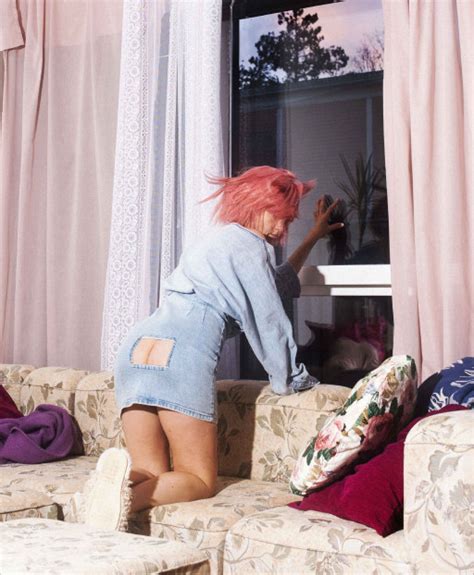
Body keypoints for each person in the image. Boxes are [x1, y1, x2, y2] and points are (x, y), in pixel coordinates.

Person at [82, 166, 343, 531]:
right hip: (181, 355)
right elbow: (269, 318)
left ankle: (97, 497)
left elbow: (276, 285)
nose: (283, 229)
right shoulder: (251, 248)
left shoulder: (216, 241)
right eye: (282, 217)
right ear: (259, 205)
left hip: (136, 349)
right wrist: (291, 378)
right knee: (198, 479)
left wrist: (313, 237)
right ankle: (120, 502)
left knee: (149, 470)